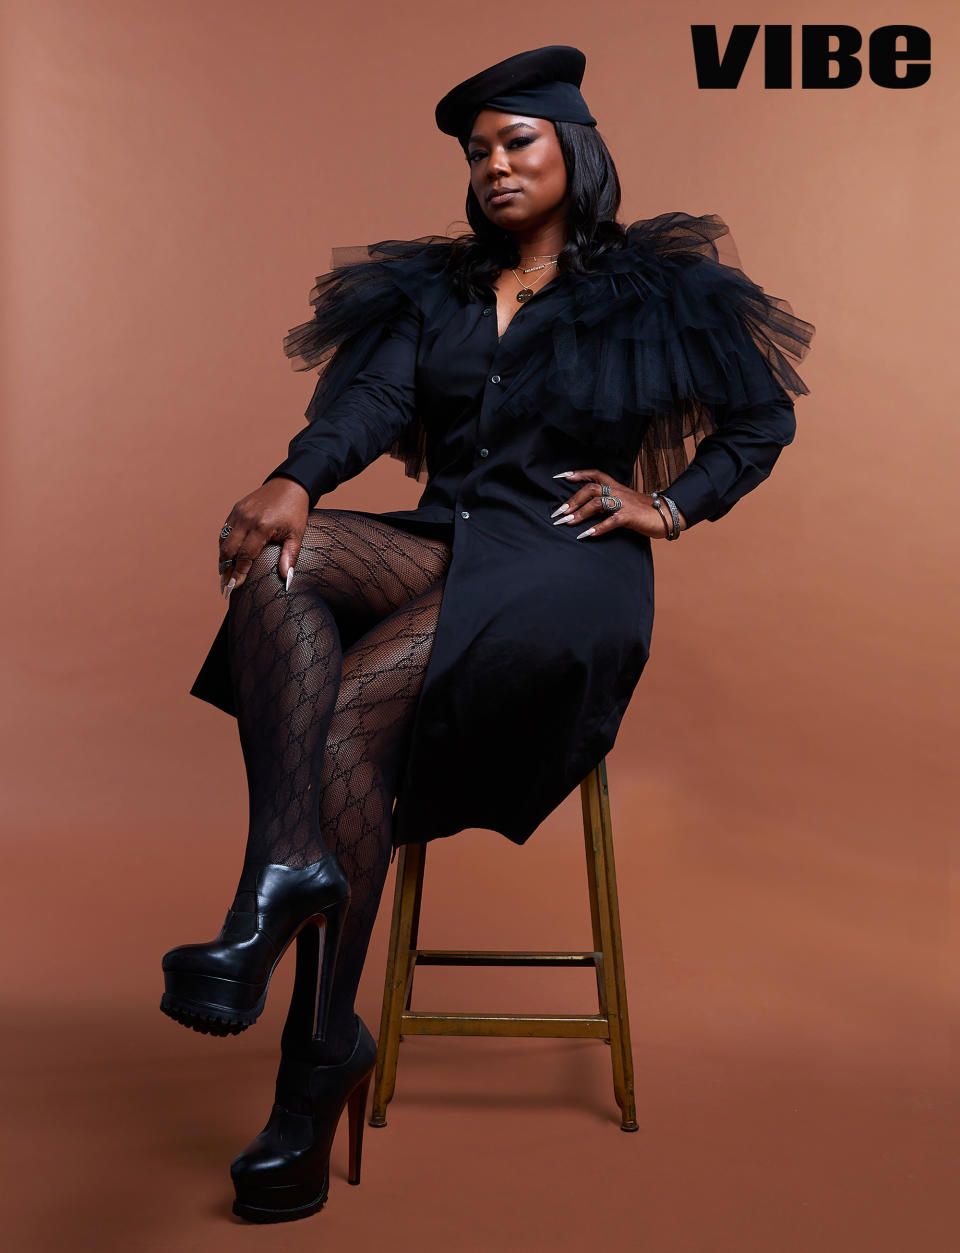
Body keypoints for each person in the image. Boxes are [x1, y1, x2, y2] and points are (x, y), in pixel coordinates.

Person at [160, 45, 815, 1224]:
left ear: (575, 148)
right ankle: (292, 886)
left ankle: (303, 1067)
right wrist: (292, 477)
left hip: (566, 574)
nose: (496, 165)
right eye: (479, 152)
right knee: (275, 570)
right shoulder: (439, 290)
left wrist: (665, 506)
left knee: (355, 713)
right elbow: (365, 407)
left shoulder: (661, 288)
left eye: (519, 142)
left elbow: (760, 423)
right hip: (454, 545)